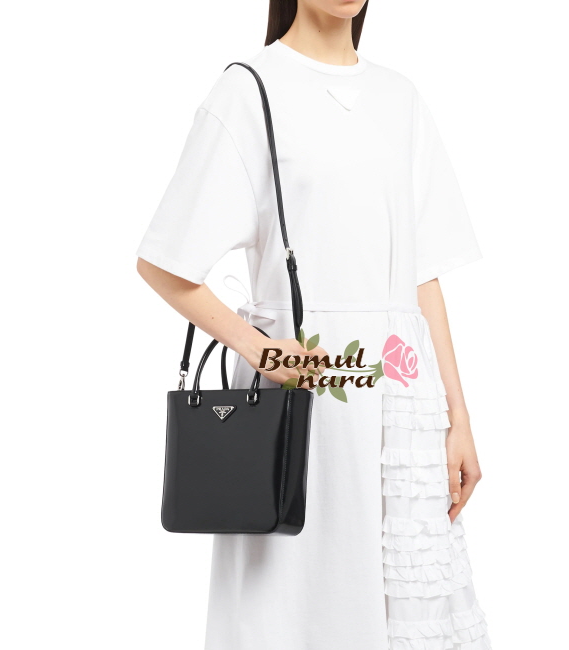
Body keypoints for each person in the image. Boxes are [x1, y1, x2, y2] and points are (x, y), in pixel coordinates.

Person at [136, 1, 491, 648]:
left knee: (399, 607)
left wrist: (458, 418)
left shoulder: (401, 99)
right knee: (291, 609)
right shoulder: (250, 90)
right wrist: (258, 349)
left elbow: (422, 276)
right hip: (300, 406)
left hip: (401, 401)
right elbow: (164, 262)